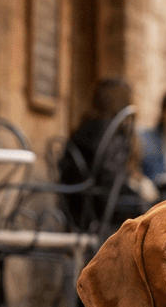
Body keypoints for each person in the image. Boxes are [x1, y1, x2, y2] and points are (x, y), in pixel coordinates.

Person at [58, 78, 153, 230]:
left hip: (74, 206)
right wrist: (139, 191)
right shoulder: (112, 133)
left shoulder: (84, 127)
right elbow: (110, 179)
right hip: (97, 210)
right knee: (153, 207)